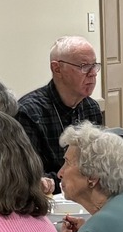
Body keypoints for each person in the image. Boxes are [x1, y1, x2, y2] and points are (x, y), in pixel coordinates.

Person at [15, 36, 105, 185]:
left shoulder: (91, 108)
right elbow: (29, 177)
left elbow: (98, 164)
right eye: (84, 66)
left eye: (94, 65)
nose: (93, 73)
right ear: (57, 69)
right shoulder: (29, 112)